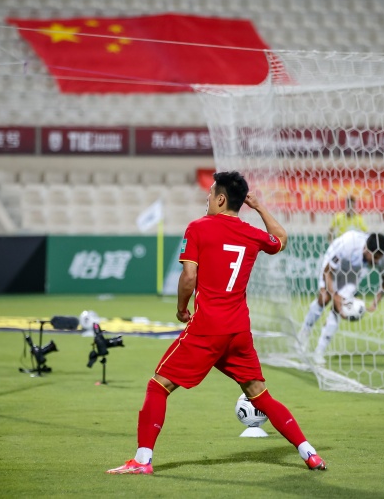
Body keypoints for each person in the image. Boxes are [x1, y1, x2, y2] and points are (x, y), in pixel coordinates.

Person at [106, 171, 326, 475]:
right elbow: (281, 240)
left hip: (207, 327)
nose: (206, 198)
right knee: (260, 395)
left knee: (158, 386)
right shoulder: (251, 233)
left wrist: (182, 309)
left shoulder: (198, 227)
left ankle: (142, 460)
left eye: (210, 194)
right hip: (237, 331)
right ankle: (310, 453)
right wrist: (260, 207)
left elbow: (189, 277)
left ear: (221, 199)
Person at [297, 230, 384, 365]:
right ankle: (304, 334)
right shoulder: (348, 245)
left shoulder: (383, 257)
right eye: (375, 257)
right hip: (333, 266)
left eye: (379, 258)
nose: (377, 261)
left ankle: (319, 351)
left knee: (338, 308)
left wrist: (376, 301)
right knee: (325, 298)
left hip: (353, 274)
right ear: (366, 249)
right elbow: (328, 271)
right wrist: (334, 295)